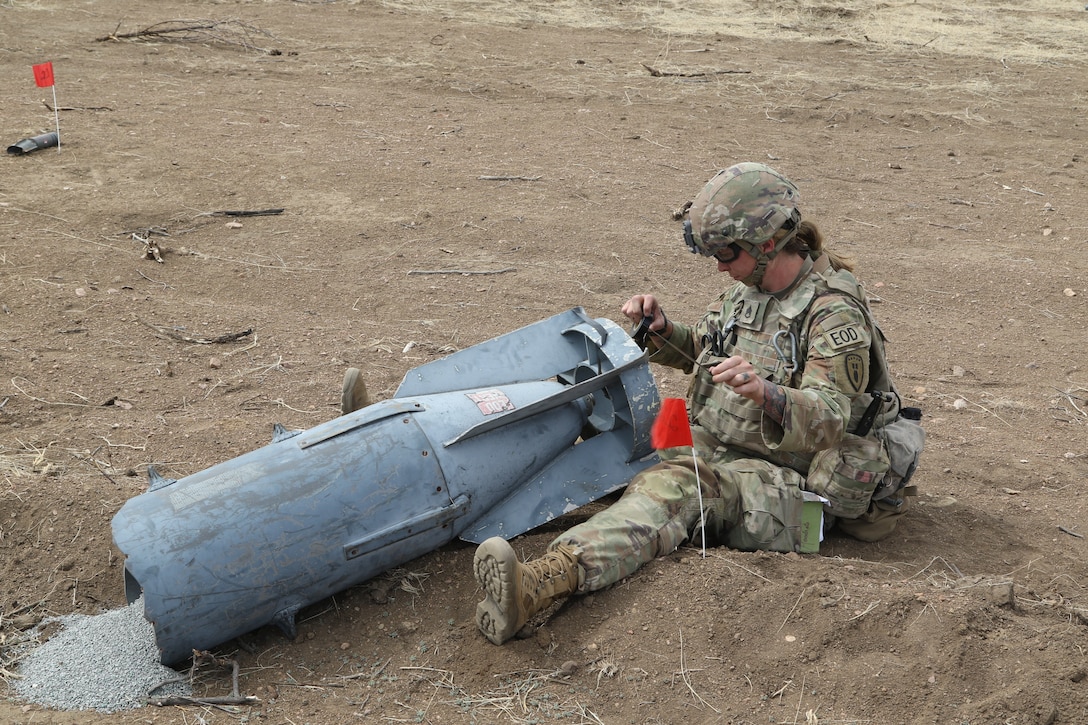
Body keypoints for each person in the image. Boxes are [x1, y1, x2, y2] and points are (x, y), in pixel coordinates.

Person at [472, 162, 919, 645]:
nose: (720, 266)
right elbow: (701, 349)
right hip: (721, 438)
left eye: (726, 253)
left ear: (767, 243)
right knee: (623, 437)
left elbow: (831, 419)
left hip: (793, 483)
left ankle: (544, 581)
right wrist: (663, 332)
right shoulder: (745, 294)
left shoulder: (833, 314)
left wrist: (765, 391)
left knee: (678, 490)